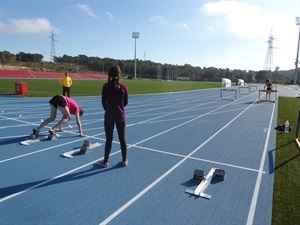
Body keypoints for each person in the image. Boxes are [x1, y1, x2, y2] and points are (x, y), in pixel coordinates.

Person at [97, 65, 128, 167]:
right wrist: (119, 108)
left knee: (108, 139)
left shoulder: (106, 87)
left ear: (109, 74)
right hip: (120, 116)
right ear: (119, 74)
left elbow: (103, 102)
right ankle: (124, 160)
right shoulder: (123, 87)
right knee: (122, 139)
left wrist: (109, 110)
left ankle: (105, 161)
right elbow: (126, 102)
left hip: (109, 116)